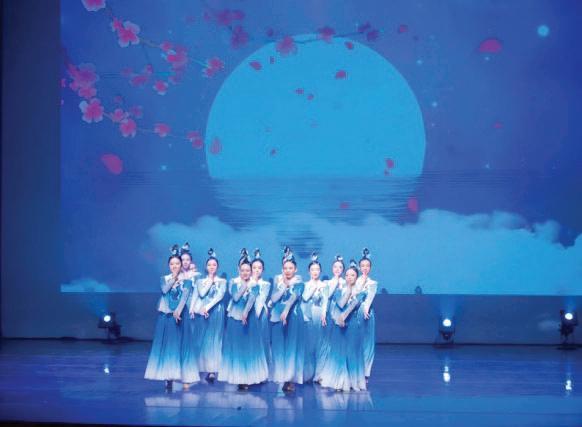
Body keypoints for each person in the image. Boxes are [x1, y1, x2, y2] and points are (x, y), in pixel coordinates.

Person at [219, 249, 269, 389]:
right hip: (234, 318)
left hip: (248, 319)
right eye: (243, 270)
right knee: (236, 347)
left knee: (249, 347)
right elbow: (235, 298)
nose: (245, 273)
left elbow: (252, 299)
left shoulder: (255, 285)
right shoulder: (235, 283)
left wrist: (246, 312)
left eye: (248, 270)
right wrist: (245, 285)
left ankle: (248, 378)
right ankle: (238, 376)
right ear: (239, 271)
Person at [144, 245, 192, 390]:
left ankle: (180, 374)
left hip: (180, 316)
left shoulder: (187, 280)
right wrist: (174, 279)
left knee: (179, 345)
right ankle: (167, 376)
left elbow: (185, 297)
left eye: (177, 263)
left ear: (181, 264)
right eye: (172, 264)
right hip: (166, 316)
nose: (175, 266)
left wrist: (178, 311)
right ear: (168, 265)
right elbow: (164, 290)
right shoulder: (164, 279)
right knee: (167, 345)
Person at [319, 260, 366, 392]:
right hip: (339, 326)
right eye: (347, 275)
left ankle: (353, 381)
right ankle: (340, 381)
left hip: (352, 325)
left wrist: (343, 317)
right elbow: (340, 304)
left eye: (353, 275)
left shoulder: (361, 292)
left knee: (352, 352)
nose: (349, 277)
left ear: (357, 277)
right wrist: (348, 291)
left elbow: (353, 306)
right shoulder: (340, 291)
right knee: (338, 353)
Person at [269, 247, 305, 393]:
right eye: (285, 268)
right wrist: (283, 285)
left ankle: (290, 379)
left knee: (292, 348)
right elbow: (273, 298)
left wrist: (286, 310)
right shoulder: (278, 281)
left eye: (290, 268)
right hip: (278, 316)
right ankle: (281, 376)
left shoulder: (299, 282)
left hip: (293, 316)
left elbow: (294, 298)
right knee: (279, 347)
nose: (288, 271)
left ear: (295, 269)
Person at [192, 248, 226, 382]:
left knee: (215, 339)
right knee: (203, 338)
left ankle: (213, 370)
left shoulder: (222, 281)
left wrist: (208, 307)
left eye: (214, 265)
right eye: (209, 265)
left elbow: (219, 296)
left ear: (217, 267)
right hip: (203, 311)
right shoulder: (200, 281)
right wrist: (196, 309)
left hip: (216, 311)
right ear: (206, 267)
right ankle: (202, 366)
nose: (212, 267)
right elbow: (200, 294)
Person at [357, 248, 377, 380]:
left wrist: (366, 309)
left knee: (368, 343)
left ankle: (366, 372)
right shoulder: (355, 280)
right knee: (356, 341)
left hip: (367, 313)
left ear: (370, 268)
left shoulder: (373, 283)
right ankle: (356, 370)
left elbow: (370, 297)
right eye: (363, 266)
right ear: (359, 267)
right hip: (355, 313)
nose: (365, 268)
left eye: (367, 266)